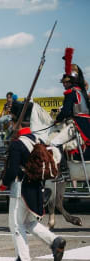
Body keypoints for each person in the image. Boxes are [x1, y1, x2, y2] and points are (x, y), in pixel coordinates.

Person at [0, 101, 66, 261]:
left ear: (16, 121)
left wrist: (2, 184)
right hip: (35, 188)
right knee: (27, 222)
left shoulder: (18, 143)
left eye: (12, 120)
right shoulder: (37, 139)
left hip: (20, 188)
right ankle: (54, 241)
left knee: (16, 224)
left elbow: (12, 172)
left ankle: (23, 260)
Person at [50, 48, 90, 180]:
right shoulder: (81, 92)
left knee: (55, 142)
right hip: (87, 123)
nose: (64, 85)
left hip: (77, 124)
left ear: (71, 81)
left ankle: (64, 170)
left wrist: (57, 120)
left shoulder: (71, 93)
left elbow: (66, 111)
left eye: (66, 82)